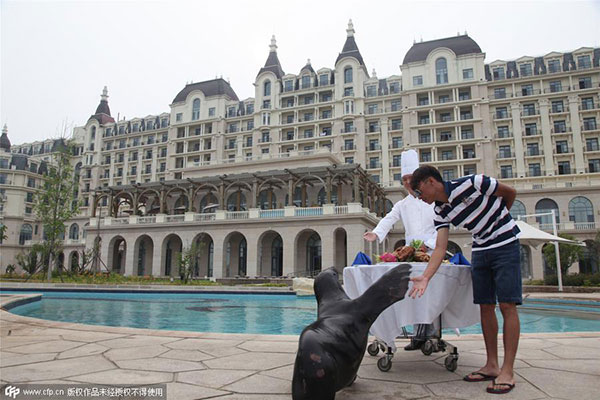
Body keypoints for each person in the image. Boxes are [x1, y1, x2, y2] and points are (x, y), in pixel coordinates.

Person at [409, 165, 520, 395]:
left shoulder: (473, 183)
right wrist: (426, 278)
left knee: (508, 304)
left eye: (419, 192)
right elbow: (440, 248)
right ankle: (491, 365)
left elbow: (510, 193)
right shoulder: (440, 211)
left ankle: (507, 370)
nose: (420, 199)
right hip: (480, 249)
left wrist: (497, 223)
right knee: (485, 306)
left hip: (505, 244)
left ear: (431, 182)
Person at [363, 149, 437, 351]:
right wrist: (377, 234)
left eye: (410, 178)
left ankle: (426, 335)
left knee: (428, 295)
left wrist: (428, 244)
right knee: (412, 293)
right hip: (411, 255)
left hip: (431, 253)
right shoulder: (403, 204)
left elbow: (442, 227)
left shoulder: (433, 200)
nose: (406, 182)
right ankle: (417, 336)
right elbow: (389, 218)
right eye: (403, 179)